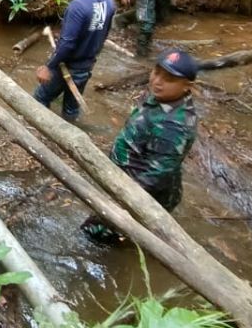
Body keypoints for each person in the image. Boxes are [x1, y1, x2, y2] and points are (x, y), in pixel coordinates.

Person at [82, 50, 199, 242]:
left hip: (141, 192)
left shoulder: (175, 127)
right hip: (129, 176)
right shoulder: (162, 97)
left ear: (187, 86)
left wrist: (119, 204)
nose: (157, 81)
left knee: (94, 233)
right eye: (157, 72)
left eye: (169, 78)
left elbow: (155, 176)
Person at [33, 0, 116, 123]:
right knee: (71, 107)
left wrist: (48, 67)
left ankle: (44, 134)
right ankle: (69, 135)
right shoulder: (109, 2)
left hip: (68, 67)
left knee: (39, 98)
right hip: (86, 67)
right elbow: (104, 35)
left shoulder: (77, 6)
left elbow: (67, 44)